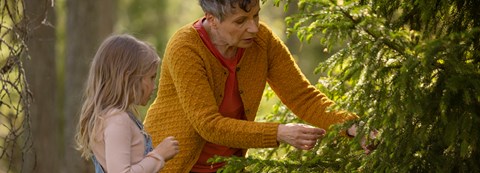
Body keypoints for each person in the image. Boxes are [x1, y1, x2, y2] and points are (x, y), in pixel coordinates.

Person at [143, 0, 360, 172]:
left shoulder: (262, 42)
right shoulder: (186, 47)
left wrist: (352, 126)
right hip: (171, 165)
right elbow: (208, 125)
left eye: (256, 15)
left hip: (229, 167)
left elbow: (303, 96)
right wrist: (279, 132)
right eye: (241, 21)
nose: (253, 28)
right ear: (212, 19)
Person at [75, 34, 180, 173]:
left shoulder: (109, 117)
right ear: (129, 77)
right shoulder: (118, 120)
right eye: (151, 77)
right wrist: (159, 155)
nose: (154, 86)